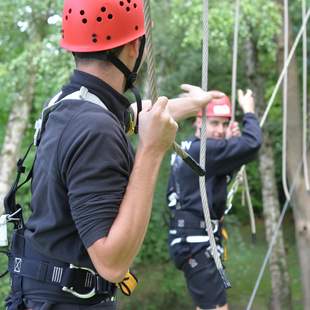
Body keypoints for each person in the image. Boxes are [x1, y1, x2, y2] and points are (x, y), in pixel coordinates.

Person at [4, 1, 223, 309]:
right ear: (134, 47)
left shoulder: (70, 104)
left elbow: (138, 115)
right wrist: (151, 151)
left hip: (46, 295)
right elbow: (111, 263)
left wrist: (194, 104)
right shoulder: (96, 128)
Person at [167, 89, 262, 310]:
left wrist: (231, 145)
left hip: (198, 241)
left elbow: (221, 174)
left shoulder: (194, 148)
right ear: (199, 122)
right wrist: (249, 112)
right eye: (214, 123)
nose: (219, 130)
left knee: (215, 306)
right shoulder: (204, 150)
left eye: (224, 124)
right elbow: (253, 144)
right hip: (195, 244)